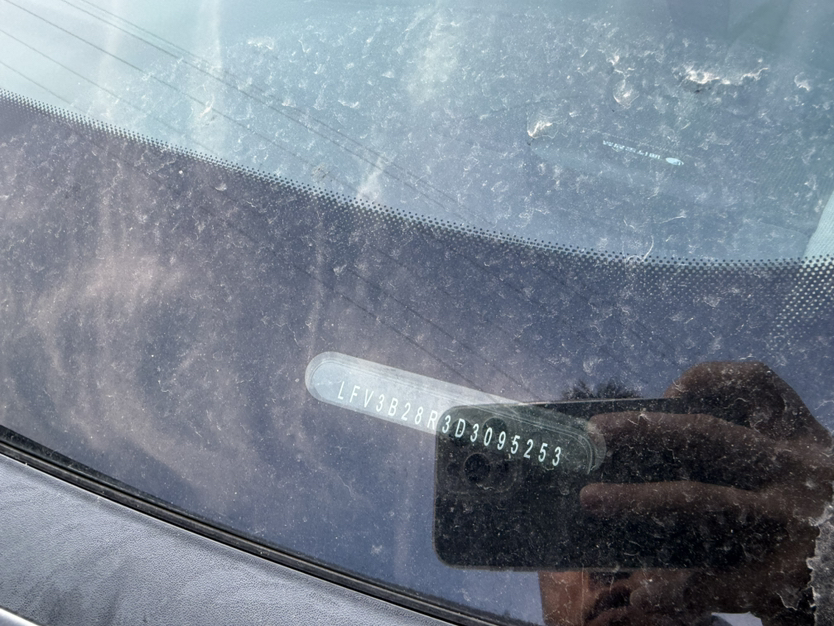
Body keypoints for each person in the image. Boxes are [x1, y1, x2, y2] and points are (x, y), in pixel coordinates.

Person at [539, 362, 834, 626]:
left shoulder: (801, 597)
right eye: (581, 527)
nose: (607, 565)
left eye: (633, 525)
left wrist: (819, 578)